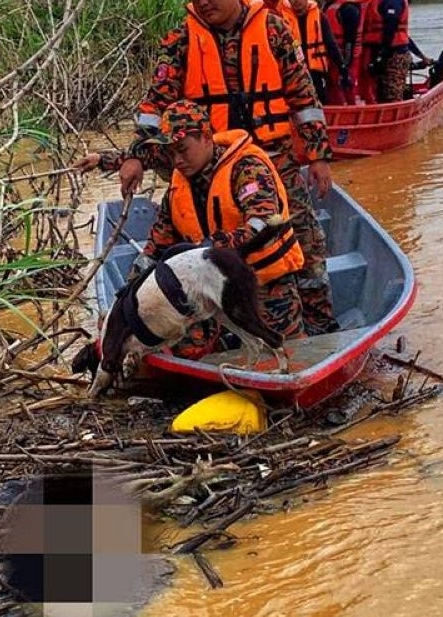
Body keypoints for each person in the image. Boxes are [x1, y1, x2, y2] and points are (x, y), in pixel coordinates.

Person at [77, 0, 339, 335]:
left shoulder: (275, 30)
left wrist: (318, 156)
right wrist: (135, 155)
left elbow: (304, 98)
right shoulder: (181, 40)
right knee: (206, 246)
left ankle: (322, 328)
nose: (204, 2)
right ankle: (224, 323)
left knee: (305, 244)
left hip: (274, 160)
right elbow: (154, 106)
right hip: (209, 167)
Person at [135, 100, 307, 357]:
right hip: (206, 294)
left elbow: (262, 223)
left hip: (262, 285)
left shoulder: (247, 168)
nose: (177, 160)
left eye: (182, 149)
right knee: (182, 349)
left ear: (206, 138)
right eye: (170, 154)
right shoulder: (177, 187)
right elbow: (156, 246)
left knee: (288, 353)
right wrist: (130, 293)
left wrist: (208, 249)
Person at [273, 0, 344, 106]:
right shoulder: (281, 18)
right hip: (294, 71)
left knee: (322, 100)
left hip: (316, 71)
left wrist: (342, 67)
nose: (296, 2)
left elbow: (331, 43)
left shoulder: (319, 16)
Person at [360, 0, 428, 103]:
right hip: (380, 52)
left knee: (392, 93)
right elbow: (401, 34)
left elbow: (392, 27)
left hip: (394, 54)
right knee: (381, 92)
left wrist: (382, 54)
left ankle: (395, 112)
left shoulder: (393, 2)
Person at [323, 0, 366, 105]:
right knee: (332, 87)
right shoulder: (328, 7)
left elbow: (350, 41)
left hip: (346, 57)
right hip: (331, 56)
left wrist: (345, 65)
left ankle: (350, 110)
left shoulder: (349, 9)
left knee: (346, 87)